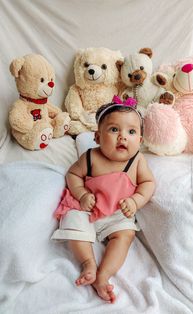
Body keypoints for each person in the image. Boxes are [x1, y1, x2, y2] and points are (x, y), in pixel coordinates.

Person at [51, 95, 155, 303]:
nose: (122, 137)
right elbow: (73, 175)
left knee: (125, 235)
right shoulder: (90, 157)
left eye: (131, 132)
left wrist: (135, 201)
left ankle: (104, 275)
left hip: (117, 212)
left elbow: (148, 184)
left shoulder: (137, 161)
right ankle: (88, 263)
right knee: (72, 221)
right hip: (87, 209)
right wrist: (81, 194)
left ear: (140, 141)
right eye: (114, 129)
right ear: (97, 137)